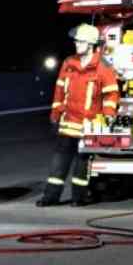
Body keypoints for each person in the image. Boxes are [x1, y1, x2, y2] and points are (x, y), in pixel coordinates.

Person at [36, 23, 119, 207]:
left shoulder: (103, 66)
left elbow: (111, 93)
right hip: (68, 123)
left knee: (82, 164)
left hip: (88, 126)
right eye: (76, 41)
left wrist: (107, 115)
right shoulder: (68, 63)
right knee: (59, 163)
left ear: (90, 44)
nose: (76, 44)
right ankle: (50, 197)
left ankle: (78, 198)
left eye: (80, 42)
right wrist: (55, 114)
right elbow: (59, 91)